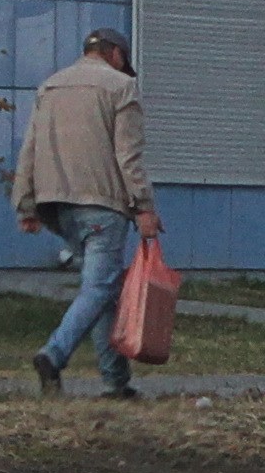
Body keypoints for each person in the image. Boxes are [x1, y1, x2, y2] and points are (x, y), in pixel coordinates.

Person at [12, 28, 161, 399]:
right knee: (99, 287)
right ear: (116, 55)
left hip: (57, 207)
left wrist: (25, 203)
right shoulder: (121, 87)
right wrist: (143, 207)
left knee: (103, 291)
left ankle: (116, 383)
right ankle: (53, 353)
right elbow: (129, 156)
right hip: (101, 205)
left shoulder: (50, 86)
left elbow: (29, 148)